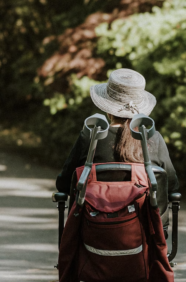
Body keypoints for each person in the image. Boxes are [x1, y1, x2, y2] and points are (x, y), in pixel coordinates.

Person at [56, 68, 179, 231]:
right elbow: (171, 186)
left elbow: (64, 184)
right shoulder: (153, 139)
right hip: (145, 233)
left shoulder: (90, 138)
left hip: (92, 231)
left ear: (107, 108)